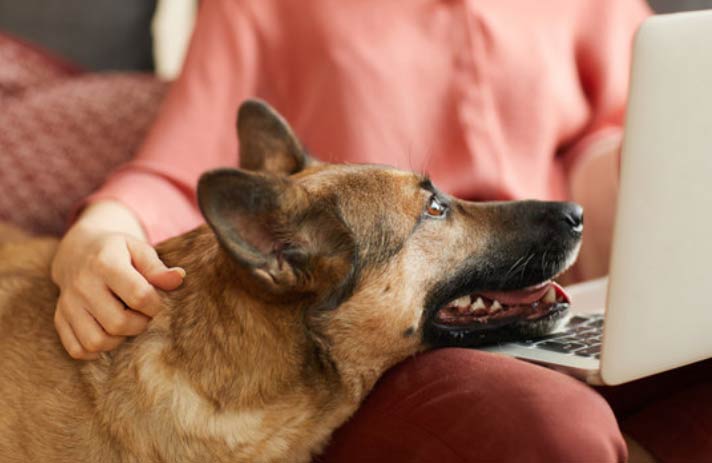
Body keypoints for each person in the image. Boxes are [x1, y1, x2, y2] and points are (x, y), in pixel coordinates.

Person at [50, 1, 712, 461]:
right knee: (557, 429)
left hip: (569, 286)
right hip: (393, 329)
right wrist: (95, 240)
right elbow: (173, 172)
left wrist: (643, 174)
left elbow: (617, 128)